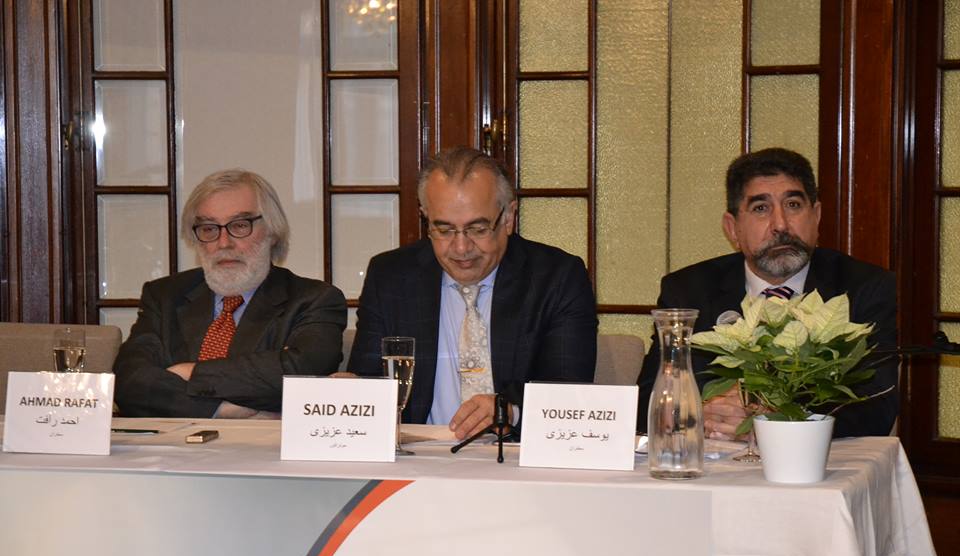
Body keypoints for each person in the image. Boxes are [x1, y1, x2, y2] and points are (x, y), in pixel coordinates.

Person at [636, 147, 898, 439]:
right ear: (732, 228)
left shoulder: (864, 288)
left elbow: (877, 407)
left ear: (816, 216)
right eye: (761, 208)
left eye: (793, 205)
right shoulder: (688, 291)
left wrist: (773, 420)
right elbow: (646, 401)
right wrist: (701, 412)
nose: (781, 225)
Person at [347, 146, 598, 440]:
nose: (461, 247)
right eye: (444, 230)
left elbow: (567, 390)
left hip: (517, 453)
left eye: (478, 229)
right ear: (426, 218)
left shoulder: (556, 278)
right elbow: (367, 381)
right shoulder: (391, 277)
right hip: (419, 453)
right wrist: (347, 391)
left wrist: (508, 411)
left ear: (508, 218)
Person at [114, 169, 347, 418]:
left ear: (272, 231)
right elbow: (128, 381)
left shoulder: (314, 300)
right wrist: (220, 410)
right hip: (174, 441)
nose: (224, 243)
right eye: (209, 229)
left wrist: (192, 372)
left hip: (261, 443)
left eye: (240, 225)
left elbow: (301, 375)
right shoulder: (164, 295)